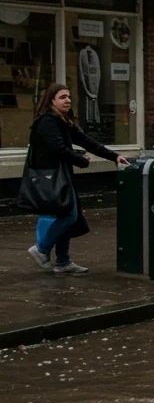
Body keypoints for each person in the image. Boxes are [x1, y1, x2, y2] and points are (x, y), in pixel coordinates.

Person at [25, 83, 130, 274]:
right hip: (52, 178)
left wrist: (114, 156)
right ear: (52, 101)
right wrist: (80, 160)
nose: (68, 100)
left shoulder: (64, 121)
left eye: (69, 96)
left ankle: (63, 262)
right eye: (62, 97)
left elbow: (87, 141)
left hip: (62, 177)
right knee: (69, 215)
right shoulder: (47, 122)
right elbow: (58, 148)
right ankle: (41, 249)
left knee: (69, 217)